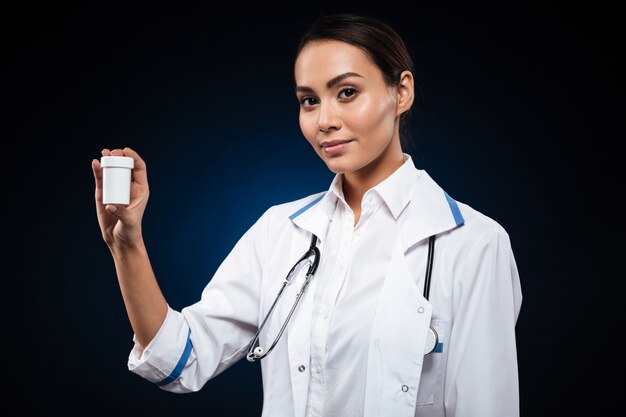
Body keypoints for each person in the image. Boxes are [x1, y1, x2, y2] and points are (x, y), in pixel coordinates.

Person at [92, 13, 522, 417]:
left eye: (347, 93)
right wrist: (126, 245)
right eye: (309, 101)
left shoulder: (474, 244)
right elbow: (180, 362)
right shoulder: (281, 231)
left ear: (401, 92)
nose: (325, 120)